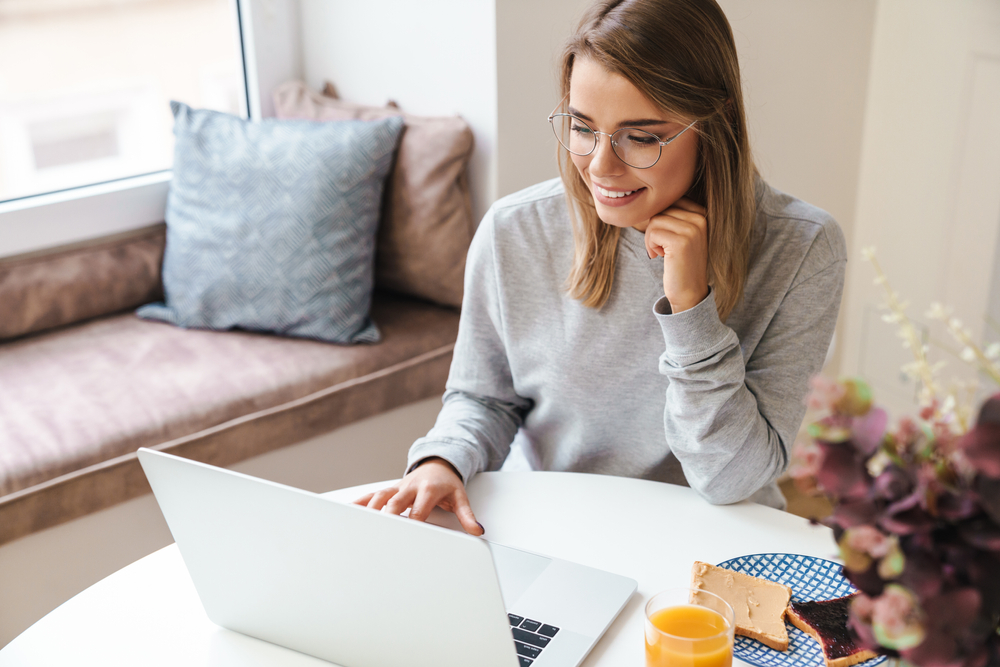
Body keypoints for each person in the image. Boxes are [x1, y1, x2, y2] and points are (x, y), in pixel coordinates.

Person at [355, 0, 845, 535]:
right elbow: (484, 398)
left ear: (716, 122)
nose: (599, 166)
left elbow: (731, 480)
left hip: (718, 537)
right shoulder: (514, 230)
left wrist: (691, 311)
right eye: (583, 127)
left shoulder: (802, 248)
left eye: (641, 137)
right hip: (555, 527)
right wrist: (443, 459)